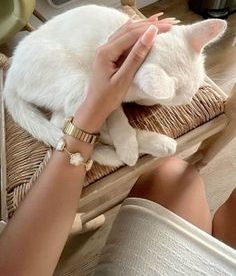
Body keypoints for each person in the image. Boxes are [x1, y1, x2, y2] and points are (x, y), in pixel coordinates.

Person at [0, 16, 235, 275]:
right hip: (36, 67)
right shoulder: (139, 74)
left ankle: (87, 127)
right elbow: (108, 99)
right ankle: (128, 137)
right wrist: (116, 131)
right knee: (84, 91)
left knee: (176, 173)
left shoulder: (163, 53)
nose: (189, 100)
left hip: (53, 61)